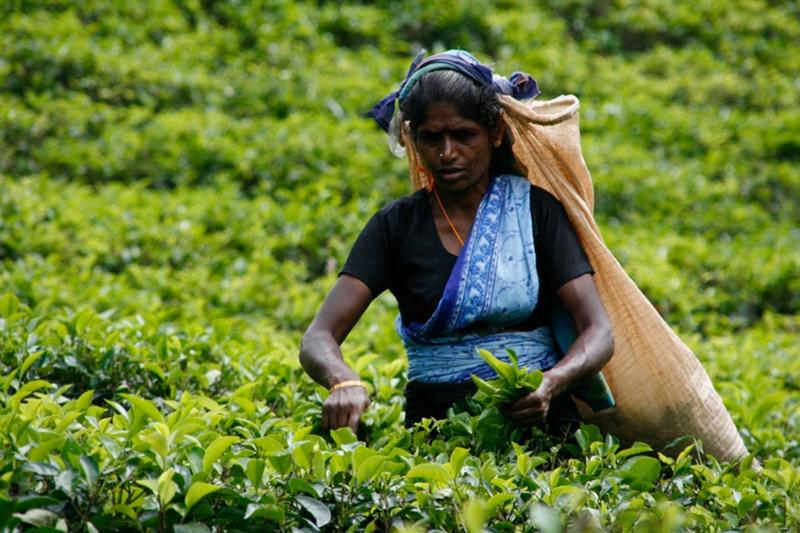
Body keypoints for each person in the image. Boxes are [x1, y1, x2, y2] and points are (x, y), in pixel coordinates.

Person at [299, 50, 614, 437]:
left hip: (540, 424)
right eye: (431, 138)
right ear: (413, 137)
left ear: (495, 133)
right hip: (437, 433)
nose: (447, 153)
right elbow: (318, 337)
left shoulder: (536, 211)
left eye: (464, 136)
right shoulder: (395, 227)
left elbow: (597, 331)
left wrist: (552, 382)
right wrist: (342, 380)